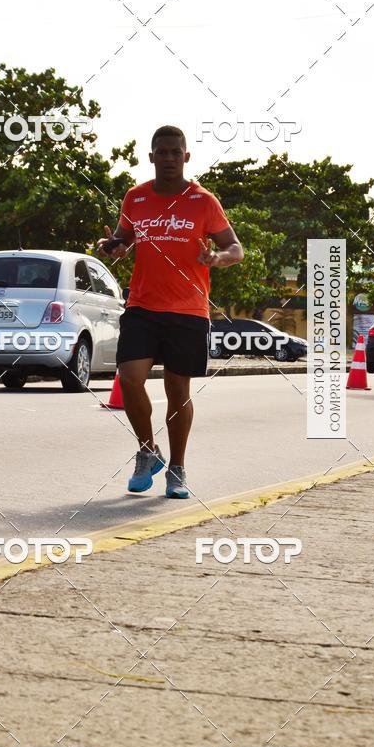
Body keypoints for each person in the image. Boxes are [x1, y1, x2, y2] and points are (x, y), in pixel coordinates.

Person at [97, 125, 243, 499]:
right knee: (130, 378)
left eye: (175, 152)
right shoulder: (136, 198)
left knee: (178, 389)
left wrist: (217, 257)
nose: (168, 158)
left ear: (186, 157)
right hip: (143, 304)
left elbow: (235, 248)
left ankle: (176, 468)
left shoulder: (203, 201)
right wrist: (112, 246)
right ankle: (147, 452)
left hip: (188, 309)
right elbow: (124, 239)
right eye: (161, 152)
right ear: (151, 157)